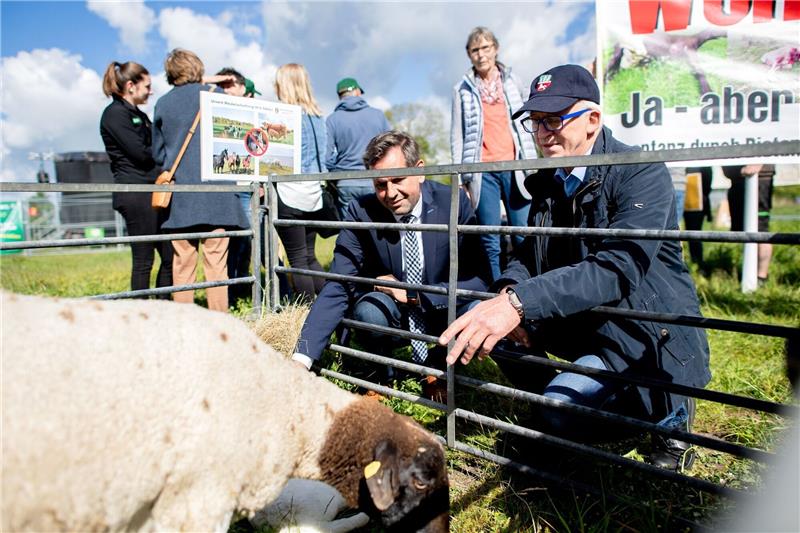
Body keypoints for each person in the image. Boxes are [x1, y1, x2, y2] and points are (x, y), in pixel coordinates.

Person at [439, 64, 711, 471]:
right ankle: (563, 409)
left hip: (642, 337)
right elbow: (526, 256)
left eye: (554, 119)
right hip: (585, 324)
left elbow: (617, 268)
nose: (544, 132)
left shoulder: (640, 172)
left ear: (593, 120)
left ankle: (666, 419)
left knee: (560, 408)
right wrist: (508, 294)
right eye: (536, 122)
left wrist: (519, 303)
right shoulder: (550, 183)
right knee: (486, 322)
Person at [292, 131, 490, 384]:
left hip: (443, 308)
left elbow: (481, 280)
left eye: (398, 179)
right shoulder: (361, 211)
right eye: (380, 185)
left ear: (419, 171)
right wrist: (301, 359)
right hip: (395, 314)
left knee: (477, 308)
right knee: (369, 311)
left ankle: (438, 370)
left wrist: (414, 293)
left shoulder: (453, 203)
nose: (391, 193)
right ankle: (382, 377)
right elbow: (339, 283)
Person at [152, 49, 248, 312]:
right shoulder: (217, 97)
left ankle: (185, 321)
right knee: (217, 265)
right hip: (217, 194)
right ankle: (220, 324)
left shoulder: (163, 103)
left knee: (182, 264)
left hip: (182, 195)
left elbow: (158, 153)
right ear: (198, 68)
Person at [451, 27, 537, 281]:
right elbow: (457, 134)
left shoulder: (513, 81)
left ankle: (526, 285)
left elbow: (529, 122)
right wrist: (461, 177)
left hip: (515, 167)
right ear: (469, 55)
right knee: (490, 236)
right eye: (475, 50)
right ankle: (497, 286)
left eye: (485, 48)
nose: (481, 55)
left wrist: (533, 162)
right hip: (482, 171)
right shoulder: (462, 89)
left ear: (495, 49)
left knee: (522, 231)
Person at [100, 61, 173, 297]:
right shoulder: (114, 115)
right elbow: (141, 153)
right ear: (131, 85)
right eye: (147, 86)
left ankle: (162, 306)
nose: (151, 91)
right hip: (135, 192)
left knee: (170, 255)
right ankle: (140, 310)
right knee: (144, 259)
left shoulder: (138, 115)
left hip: (152, 190)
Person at [273, 63, 328, 302]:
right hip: (313, 192)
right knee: (310, 256)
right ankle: (333, 304)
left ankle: (305, 314)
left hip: (290, 192)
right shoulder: (317, 115)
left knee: (296, 258)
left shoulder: (284, 117)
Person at [212, 66, 259, 305]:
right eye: (224, 86)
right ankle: (228, 294)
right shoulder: (215, 110)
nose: (227, 90)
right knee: (228, 244)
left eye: (231, 85)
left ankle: (242, 290)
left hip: (246, 187)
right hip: (225, 188)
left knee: (247, 242)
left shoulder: (250, 114)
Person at [325, 77, 391, 218]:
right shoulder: (378, 115)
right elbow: (391, 148)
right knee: (378, 230)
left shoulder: (332, 119)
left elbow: (326, 157)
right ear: (356, 92)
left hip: (346, 183)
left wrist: (338, 171)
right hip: (375, 180)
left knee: (351, 233)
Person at [723, 163, 775, 285]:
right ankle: (748, 275)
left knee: (760, 229)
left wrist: (758, 162)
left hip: (759, 178)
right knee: (742, 230)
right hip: (737, 179)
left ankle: (761, 278)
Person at [683, 166, 713, 266]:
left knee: (694, 234)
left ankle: (697, 262)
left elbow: (707, 182)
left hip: (695, 199)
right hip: (693, 197)